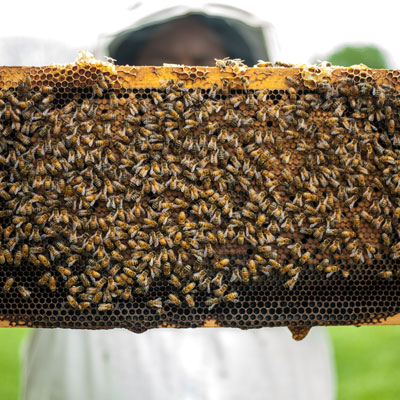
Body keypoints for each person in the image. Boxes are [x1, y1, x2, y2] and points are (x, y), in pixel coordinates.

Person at [21, 4, 336, 400]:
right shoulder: (69, 160)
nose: (186, 76)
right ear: (126, 68)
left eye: (205, 61)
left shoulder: (287, 168)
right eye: (164, 60)